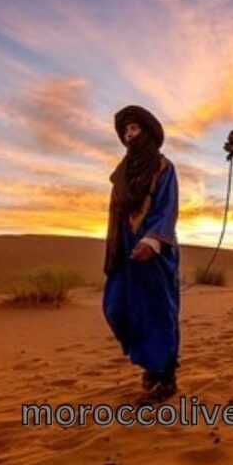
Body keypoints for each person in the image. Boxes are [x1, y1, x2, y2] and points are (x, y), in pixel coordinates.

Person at [102, 105, 180, 404]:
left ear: (146, 132)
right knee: (117, 307)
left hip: (155, 251)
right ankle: (150, 364)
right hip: (124, 250)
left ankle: (165, 376)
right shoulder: (120, 173)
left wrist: (151, 241)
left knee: (157, 313)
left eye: (133, 129)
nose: (128, 134)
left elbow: (168, 207)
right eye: (125, 130)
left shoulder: (164, 167)